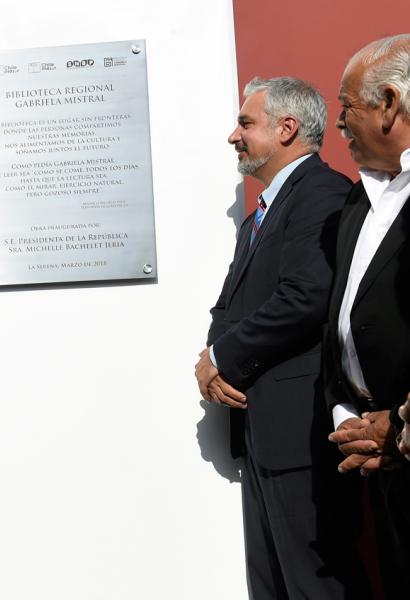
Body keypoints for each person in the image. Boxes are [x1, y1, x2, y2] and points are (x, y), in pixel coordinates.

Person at [196, 76, 367, 598]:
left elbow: (306, 297)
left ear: (287, 129)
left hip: (302, 437)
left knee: (315, 583)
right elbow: (229, 305)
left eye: (246, 123)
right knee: (272, 585)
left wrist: (223, 355)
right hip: (262, 435)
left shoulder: (322, 192)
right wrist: (210, 360)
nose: (234, 136)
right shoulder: (258, 216)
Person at [324, 33, 410, 596]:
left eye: (347, 106)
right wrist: (346, 417)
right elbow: (340, 317)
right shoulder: (360, 202)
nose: (338, 124)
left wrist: (400, 427)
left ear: (389, 104)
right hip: (378, 463)